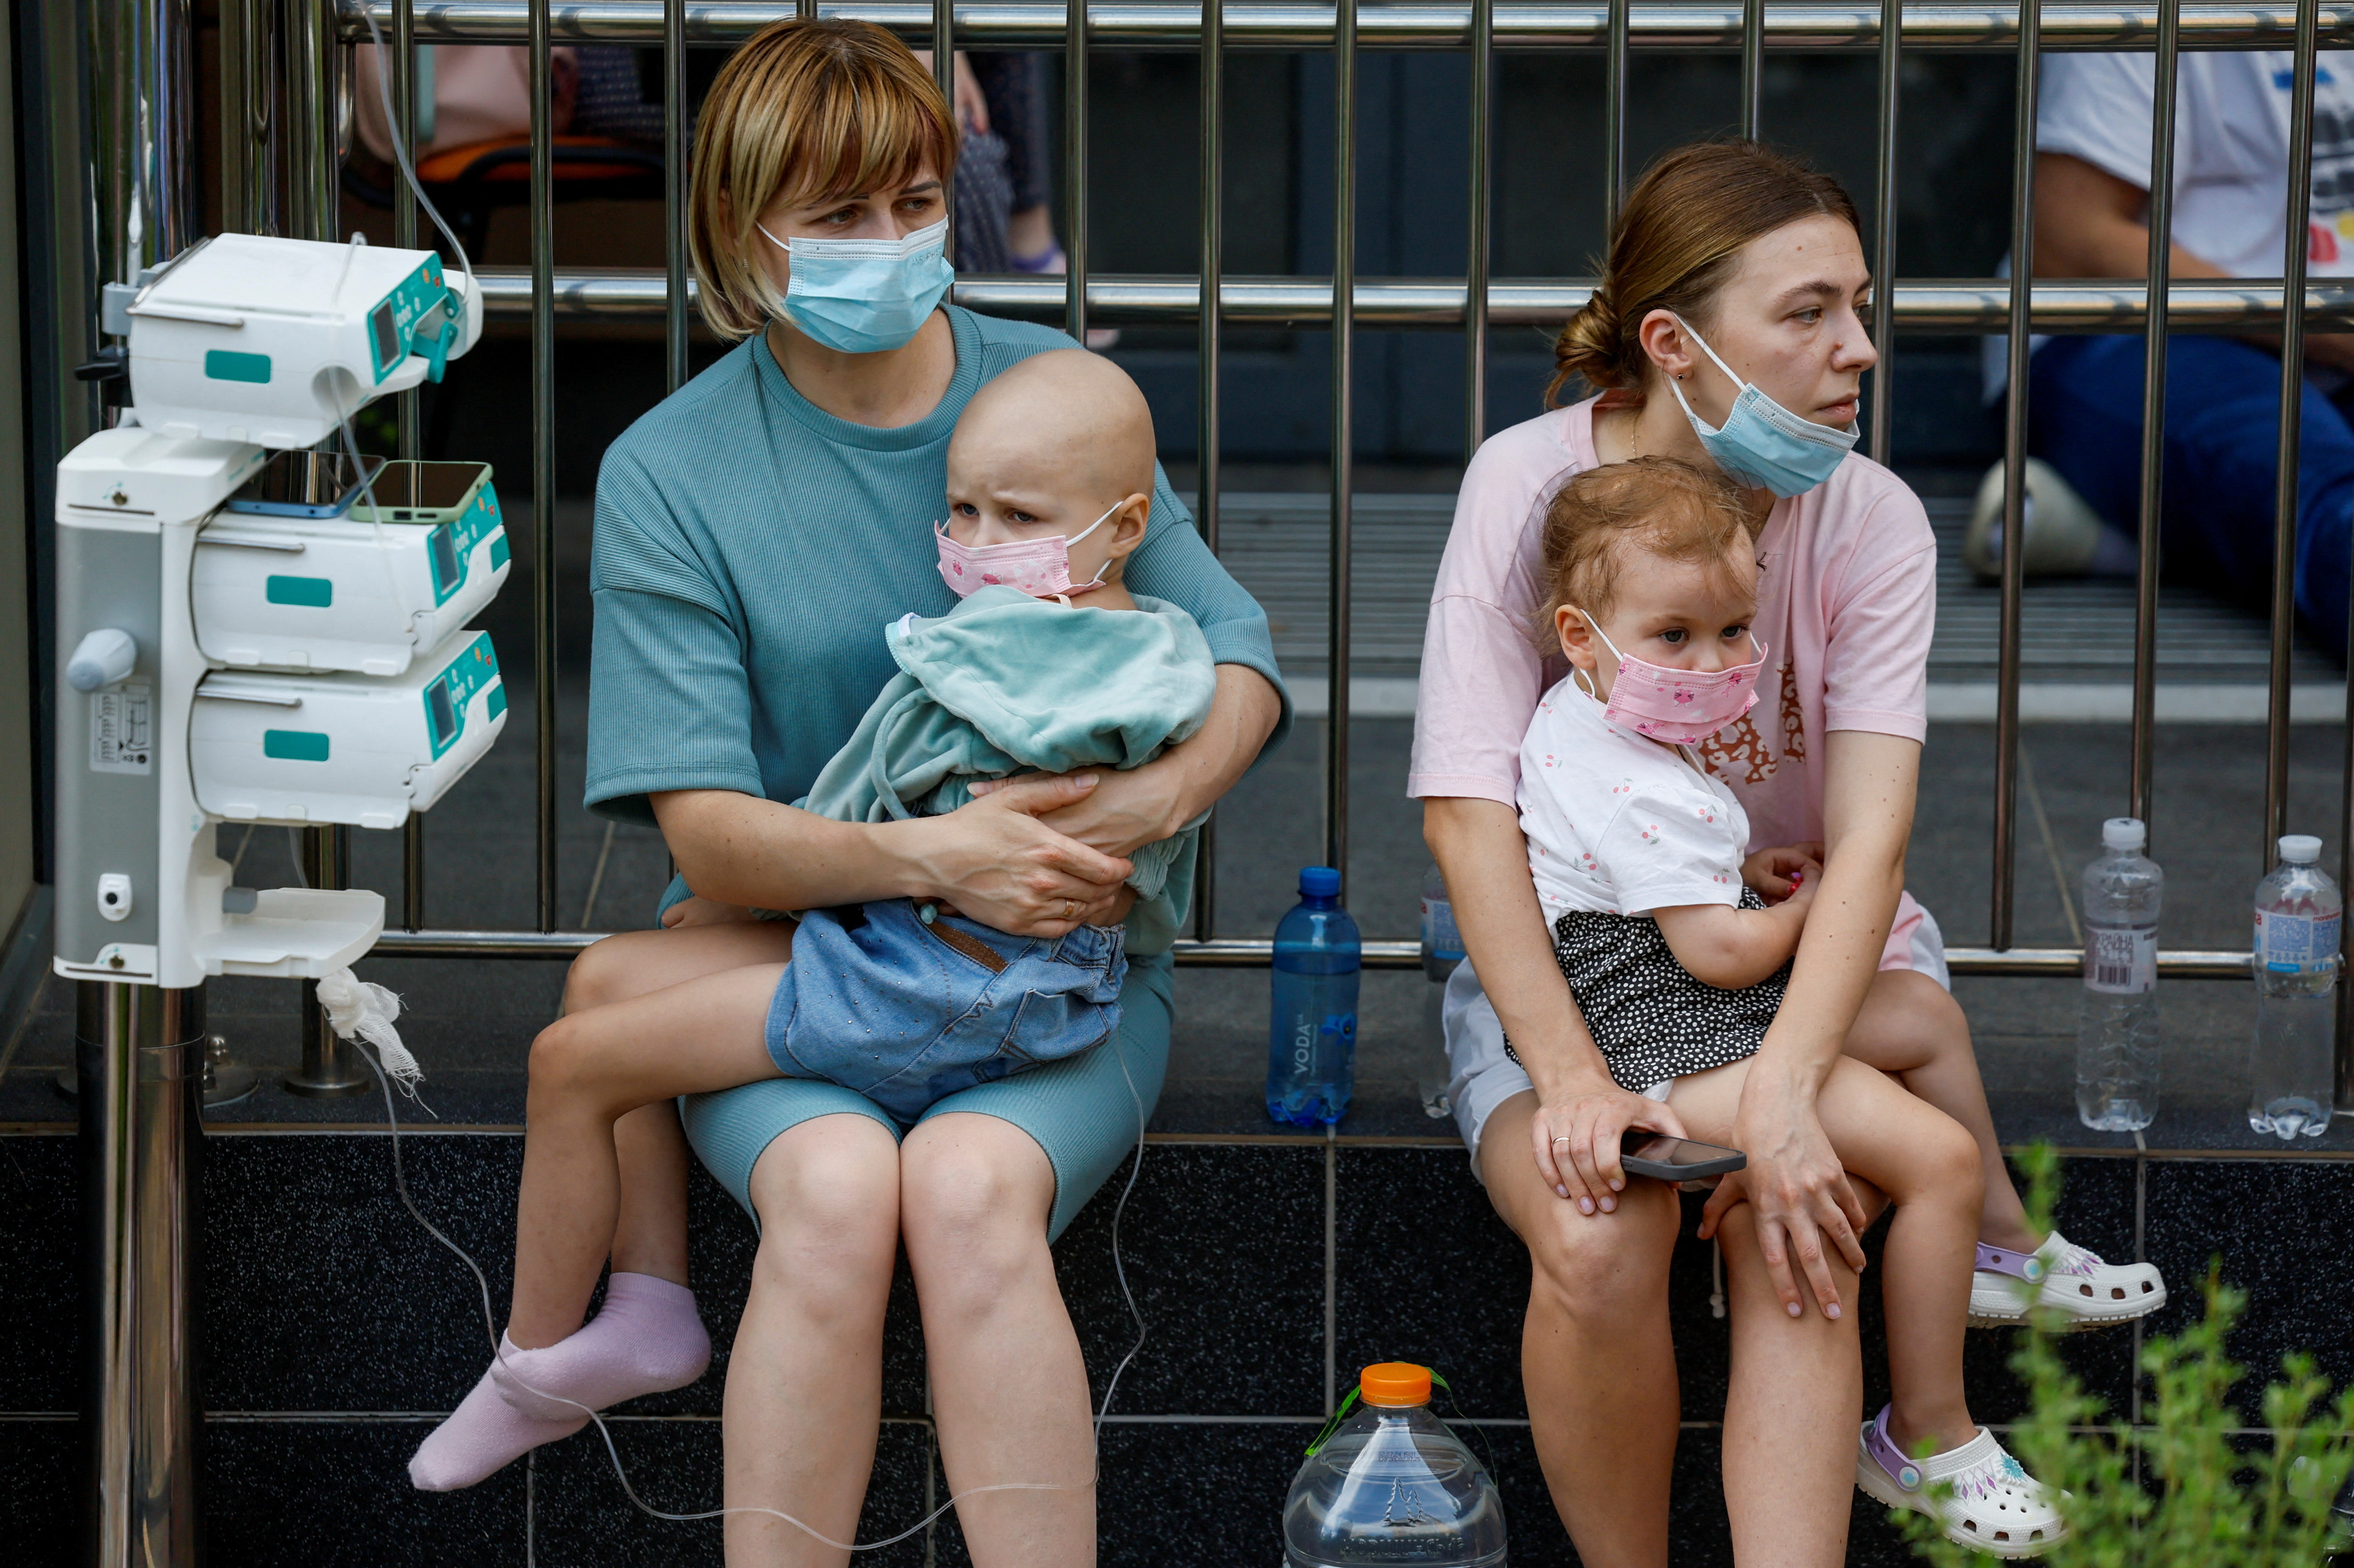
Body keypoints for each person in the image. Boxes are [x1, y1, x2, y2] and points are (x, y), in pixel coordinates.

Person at [462, 20, 1284, 1562]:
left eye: (914, 200)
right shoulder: (671, 470)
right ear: (738, 229)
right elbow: (702, 830)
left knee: (971, 1193)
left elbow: (1237, 657)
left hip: (1070, 966)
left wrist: (1135, 814)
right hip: (795, 948)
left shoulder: (1049, 393)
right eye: (840, 215)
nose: (894, 242)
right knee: (835, 1189)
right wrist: (940, 859)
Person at [1413, 139, 2162, 1565]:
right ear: (1673, 344)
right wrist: (1571, 1078)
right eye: (1808, 311)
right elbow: (1464, 810)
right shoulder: (1524, 485)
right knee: (1592, 1238)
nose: (1858, 349)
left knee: (1792, 1221)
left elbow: (1869, 845)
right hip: (1588, 978)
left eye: (1860, 305)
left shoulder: (1868, 515)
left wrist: (1789, 1098)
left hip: (1816, 952)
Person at [406, 348, 1215, 1492]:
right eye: (962, 510)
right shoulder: (1166, 656)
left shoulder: (977, 652)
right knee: (611, 973)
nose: (976, 544)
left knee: (573, 1060)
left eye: (1017, 516)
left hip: (921, 982)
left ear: (1125, 521)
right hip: (1029, 976)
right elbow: (1172, 816)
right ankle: (648, 1306)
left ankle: (532, 1361)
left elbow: (856, 791)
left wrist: (747, 888)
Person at [1517, 456, 2062, 1555]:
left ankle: (2004, 1244)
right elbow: (1716, 954)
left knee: (1920, 1015)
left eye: (1734, 630)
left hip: (1700, 1009)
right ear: (1581, 636)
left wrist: (1753, 869)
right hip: (1681, 1040)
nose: (1715, 661)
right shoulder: (1628, 773)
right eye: (1675, 635)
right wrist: (1809, 907)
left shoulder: (1608, 733)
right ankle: (1926, 1430)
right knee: (1937, 1157)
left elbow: (1675, 885)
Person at [2000, 47, 2354, 651]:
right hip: (2141, 332)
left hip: (2325, 346)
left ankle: (2133, 534)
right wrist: (2333, 328)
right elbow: (2067, 242)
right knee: (2322, 491)